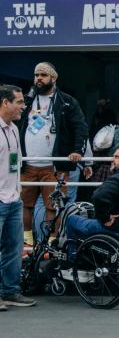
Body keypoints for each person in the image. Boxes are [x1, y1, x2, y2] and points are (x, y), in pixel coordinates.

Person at [18, 62, 91, 245]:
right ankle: (28, 241)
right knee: (25, 203)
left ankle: (51, 242)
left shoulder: (67, 101)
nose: (38, 79)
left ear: (53, 78)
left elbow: (80, 127)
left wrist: (77, 151)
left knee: (54, 205)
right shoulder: (27, 101)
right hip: (27, 164)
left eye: (43, 75)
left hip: (55, 166)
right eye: (36, 75)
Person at [64, 144, 119, 239]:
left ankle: (73, 253)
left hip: (118, 231)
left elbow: (98, 197)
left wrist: (104, 218)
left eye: (117, 157)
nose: (112, 160)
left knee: (72, 220)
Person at [0, 84, 36, 310]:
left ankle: (10, 291)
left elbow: (15, 163)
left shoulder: (13, 128)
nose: (23, 106)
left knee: (14, 248)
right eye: (19, 102)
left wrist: (18, 190)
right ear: (5, 103)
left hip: (13, 198)